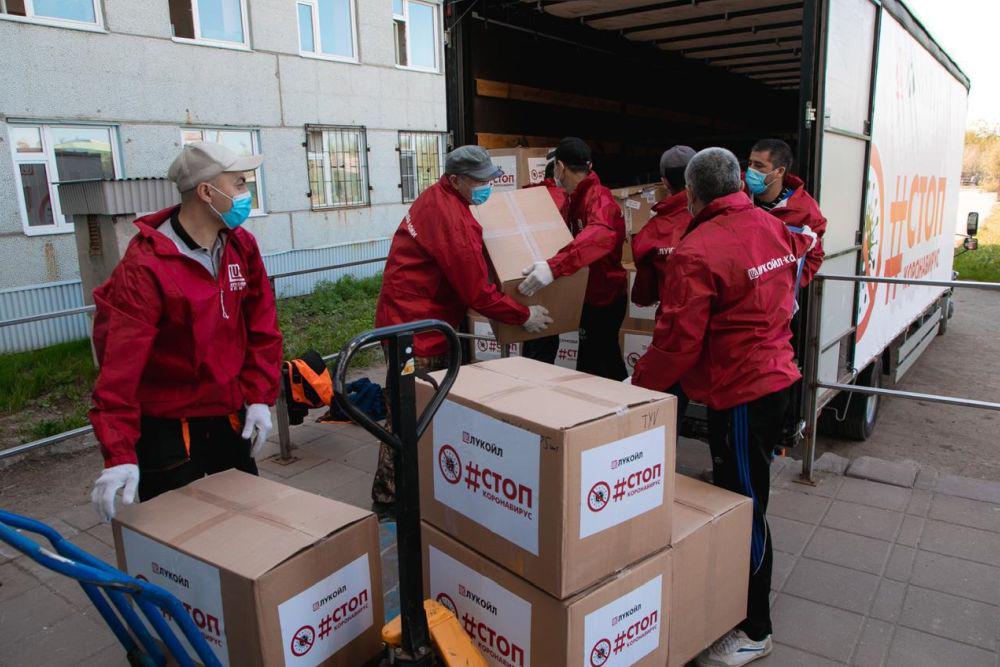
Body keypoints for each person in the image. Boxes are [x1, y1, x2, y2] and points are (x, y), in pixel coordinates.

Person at [630, 148, 816, 667]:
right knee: (746, 494)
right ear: (738, 183)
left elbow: (678, 342)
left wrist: (637, 387)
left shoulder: (697, 250)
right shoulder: (772, 226)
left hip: (741, 391)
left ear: (691, 193)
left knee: (745, 505)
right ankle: (735, 604)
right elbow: (794, 278)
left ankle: (755, 628)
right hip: (775, 376)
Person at [89, 142, 283, 522]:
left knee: (247, 521)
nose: (246, 194)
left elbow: (262, 326)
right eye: (239, 184)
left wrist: (259, 397)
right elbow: (119, 367)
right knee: (179, 531)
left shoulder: (240, 245)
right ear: (206, 192)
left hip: (227, 412)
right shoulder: (146, 267)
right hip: (170, 425)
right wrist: (119, 453)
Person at [372, 145, 552, 512]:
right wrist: (522, 314)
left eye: (489, 179)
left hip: (410, 319)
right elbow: (475, 291)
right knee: (408, 414)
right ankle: (390, 502)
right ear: (455, 179)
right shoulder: (450, 218)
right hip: (415, 331)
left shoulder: (442, 198)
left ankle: (420, 488)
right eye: (480, 181)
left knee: (421, 412)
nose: (487, 187)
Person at [519, 137, 628, 380]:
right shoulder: (574, 197)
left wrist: (554, 268)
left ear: (559, 167)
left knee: (597, 367)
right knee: (599, 362)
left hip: (604, 297)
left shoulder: (599, 199)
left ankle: (625, 399)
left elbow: (598, 236)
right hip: (590, 294)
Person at [630, 145, 696, 429]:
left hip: (676, 334)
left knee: (669, 412)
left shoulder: (653, 231)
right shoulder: (720, 217)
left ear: (665, 182)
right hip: (717, 335)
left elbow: (644, 294)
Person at [746, 138, 826, 286]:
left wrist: (786, 286)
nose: (751, 170)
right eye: (750, 163)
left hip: (772, 295)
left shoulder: (805, 210)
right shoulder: (736, 191)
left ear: (779, 171)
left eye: (758, 166)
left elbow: (814, 256)